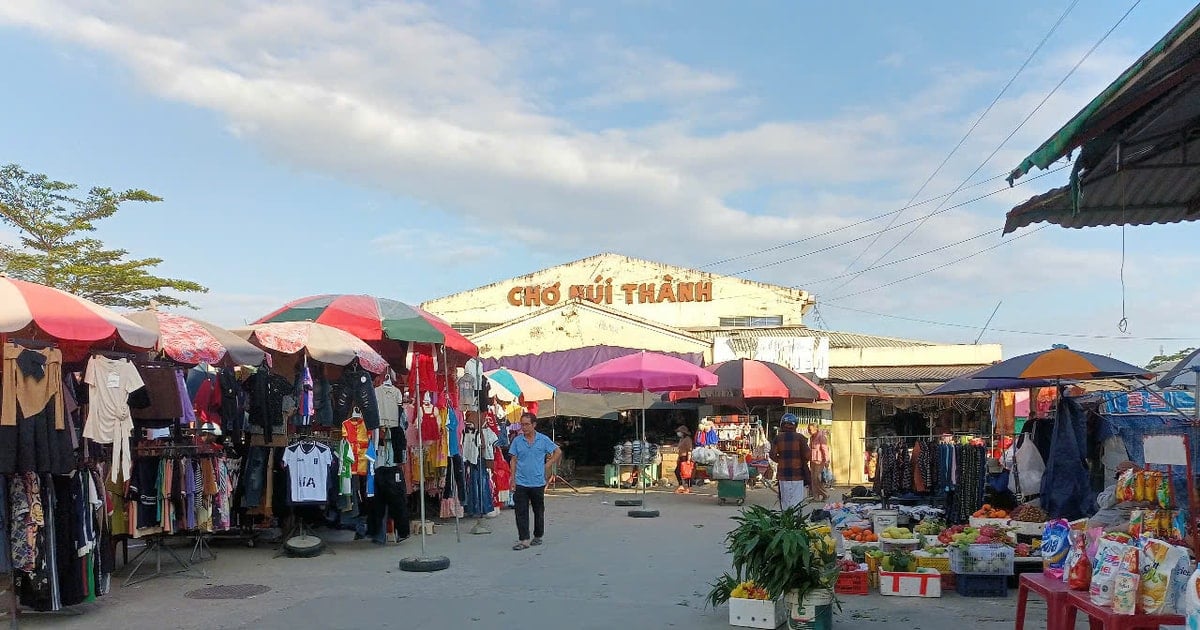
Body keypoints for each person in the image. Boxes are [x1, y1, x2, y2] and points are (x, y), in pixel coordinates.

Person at [508, 412, 561, 551]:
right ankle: (524, 539)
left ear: (534, 425)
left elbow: (557, 452)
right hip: (521, 482)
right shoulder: (517, 441)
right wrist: (512, 478)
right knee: (521, 511)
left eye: (526, 424)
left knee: (538, 510)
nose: (524, 427)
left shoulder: (543, 440)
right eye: (522, 424)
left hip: (537, 482)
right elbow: (513, 460)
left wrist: (547, 465)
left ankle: (538, 535)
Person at [770, 414, 811, 510]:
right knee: (796, 503)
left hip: (783, 476)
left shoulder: (778, 438)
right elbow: (808, 455)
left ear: (782, 425)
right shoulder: (800, 438)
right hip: (798, 475)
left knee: (785, 502)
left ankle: (786, 523)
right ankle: (795, 523)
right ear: (795, 425)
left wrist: (781, 461)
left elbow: (772, 455)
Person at [807, 423, 830, 502]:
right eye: (808, 429)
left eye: (810, 429)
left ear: (815, 429)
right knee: (813, 479)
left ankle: (825, 494)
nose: (808, 431)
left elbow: (825, 449)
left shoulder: (821, 437)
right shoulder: (811, 437)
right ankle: (816, 497)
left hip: (819, 461)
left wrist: (827, 461)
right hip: (812, 460)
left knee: (817, 478)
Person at [674, 425, 693, 494]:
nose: (678, 433)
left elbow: (689, 450)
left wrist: (688, 459)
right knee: (677, 471)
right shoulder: (681, 439)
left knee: (687, 473)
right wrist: (678, 458)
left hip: (686, 458)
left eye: (680, 432)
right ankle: (681, 485)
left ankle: (688, 487)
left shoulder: (688, 439)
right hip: (681, 457)